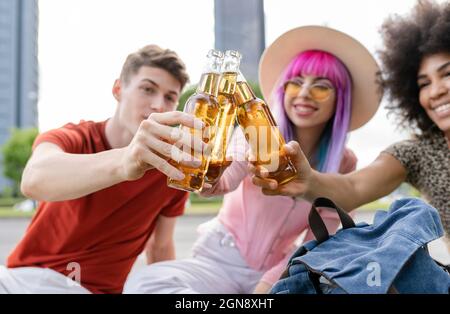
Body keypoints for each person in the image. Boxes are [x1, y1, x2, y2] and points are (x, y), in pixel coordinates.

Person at [123, 25, 382, 294]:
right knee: (145, 283)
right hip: (219, 261)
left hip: (281, 272)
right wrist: (207, 178)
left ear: (340, 99)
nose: (304, 93)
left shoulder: (344, 164)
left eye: (321, 87)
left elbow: (318, 241)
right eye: (296, 82)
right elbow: (226, 179)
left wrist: (266, 285)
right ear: (284, 89)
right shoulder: (255, 130)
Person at [0, 44, 207, 294]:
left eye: (170, 97)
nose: (158, 105)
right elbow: (33, 180)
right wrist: (124, 161)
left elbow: (160, 247)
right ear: (118, 89)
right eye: (147, 89)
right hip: (20, 279)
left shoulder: (173, 168)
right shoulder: (77, 137)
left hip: (90, 289)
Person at [249, 0, 450, 252]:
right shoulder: (418, 153)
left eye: (447, 74)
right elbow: (352, 187)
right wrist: (309, 181)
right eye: (424, 83)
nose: (436, 91)